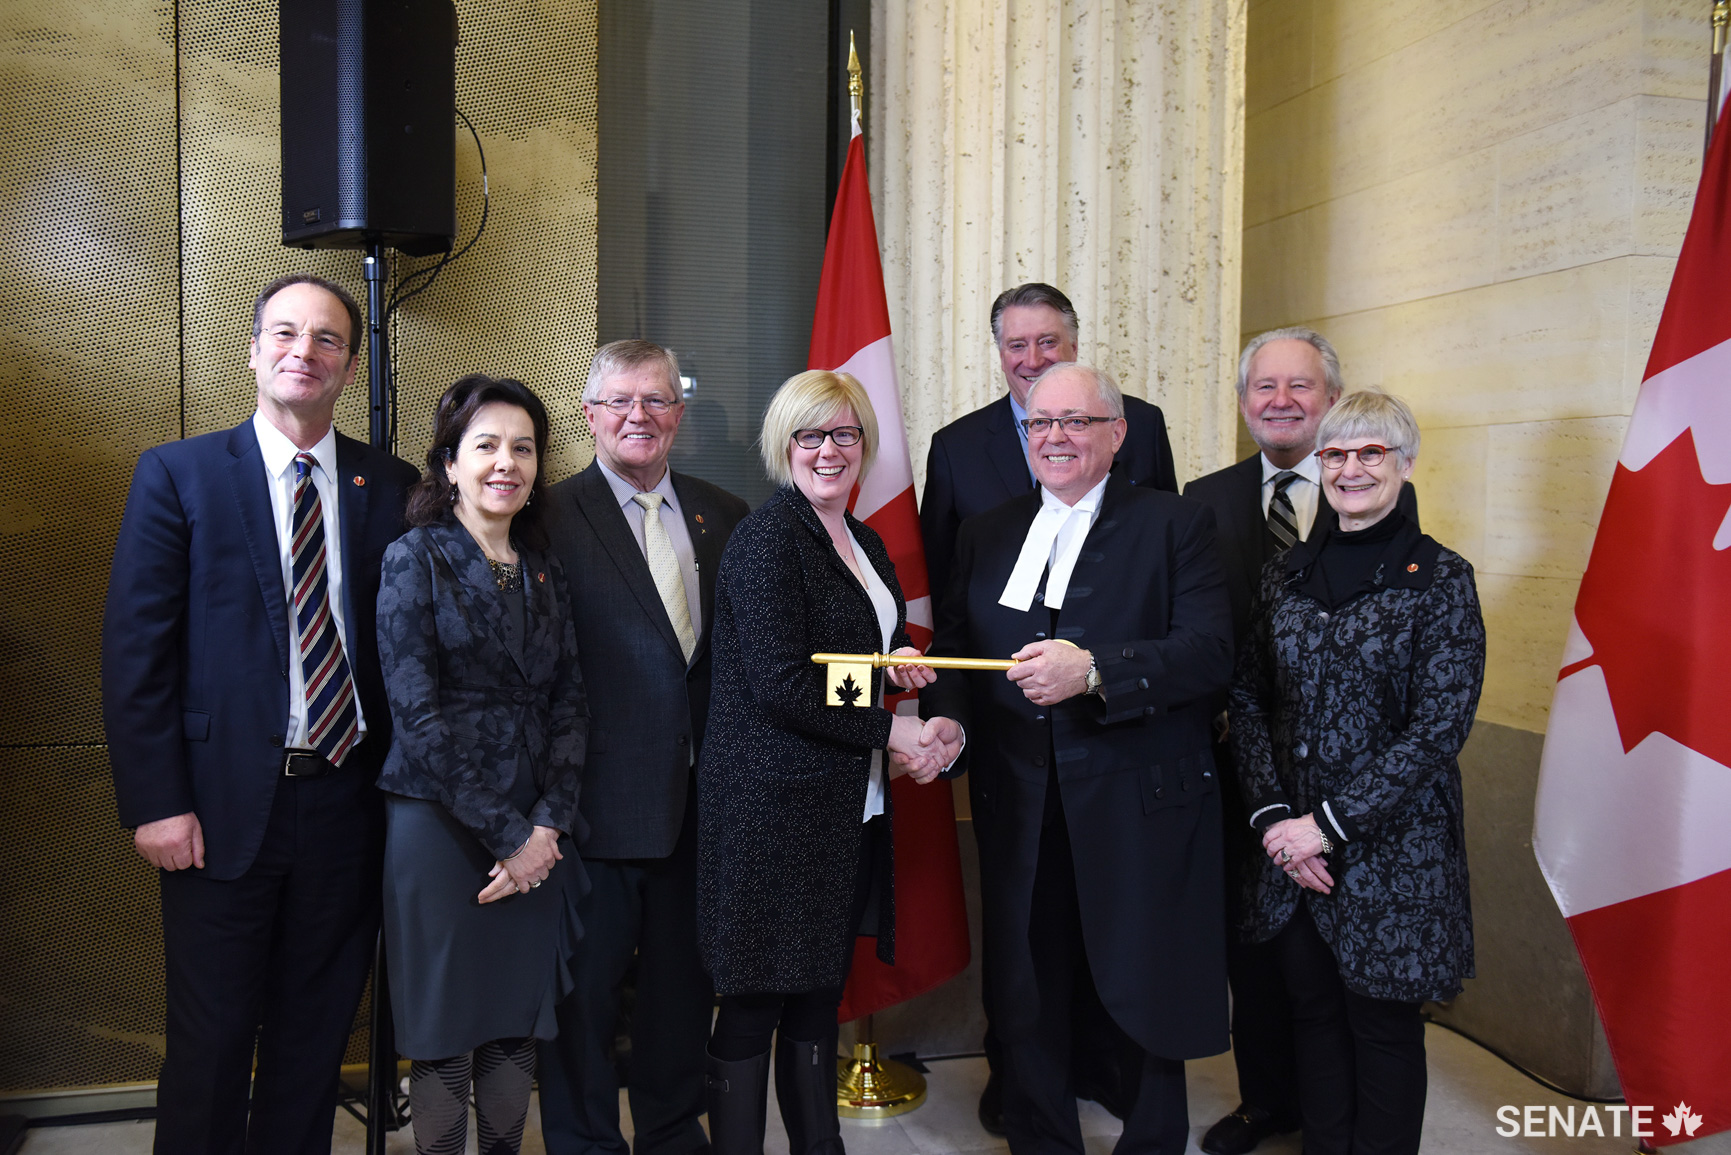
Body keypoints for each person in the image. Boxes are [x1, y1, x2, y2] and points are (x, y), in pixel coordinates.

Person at [101, 273, 418, 1154]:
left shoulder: (386, 484)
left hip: (347, 806)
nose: (302, 351)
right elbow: (136, 652)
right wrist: (156, 800)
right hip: (217, 807)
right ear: (252, 349)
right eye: (284, 333)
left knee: (314, 1042)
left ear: (349, 367)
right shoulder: (180, 473)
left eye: (326, 339)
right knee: (210, 1042)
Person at [921, 363, 1233, 1155]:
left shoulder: (1174, 524)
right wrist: (950, 724)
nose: (1053, 437)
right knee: (1026, 985)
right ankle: (1039, 1136)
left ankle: (1153, 1137)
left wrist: (1092, 669)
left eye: (1075, 422)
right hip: (1019, 801)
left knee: (1144, 971)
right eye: (1039, 423)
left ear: (1116, 434)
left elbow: (1206, 654)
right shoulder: (986, 531)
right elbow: (958, 650)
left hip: (1138, 797)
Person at [698, 370, 963, 1155]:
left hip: (842, 803)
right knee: (753, 999)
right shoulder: (767, 537)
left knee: (815, 995)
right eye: (809, 435)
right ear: (784, 446)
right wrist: (891, 735)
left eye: (843, 433)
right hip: (769, 809)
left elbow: (836, 667)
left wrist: (895, 675)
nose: (827, 449)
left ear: (863, 444)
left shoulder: (863, 538)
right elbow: (779, 684)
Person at [1229, 389, 1483, 1155]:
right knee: (1310, 1012)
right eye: (1335, 453)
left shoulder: (1440, 577)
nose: (1349, 468)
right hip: (1289, 857)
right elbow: (1247, 697)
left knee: (1380, 1026)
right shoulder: (1285, 575)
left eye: (1370, 452)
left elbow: (1438, 727)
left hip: (1390, 855)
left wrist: (1324, 827)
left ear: (1403, 464)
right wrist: (1275, 820)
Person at [1183, 327, 1418, 1155]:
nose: (1280, 401)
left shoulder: (1374, 500)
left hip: (1352, 783)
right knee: (1259, 949)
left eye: (1300, 387)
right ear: (1244, 401)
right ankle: (1265, 1100)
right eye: (1263, 387)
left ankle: (1351, 1122)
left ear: (1331, 400)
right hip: (1242, 769)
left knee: (1347, 976)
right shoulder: (1200, 497)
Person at [536, 340, 749, 1155]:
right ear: (589, 415)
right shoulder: (547, 517)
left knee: (679, 993)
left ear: (679, 416)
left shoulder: (724, 514)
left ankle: (668, 1129)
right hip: (590, 806)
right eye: (619, 401)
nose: (639, 416)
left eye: (656, 401)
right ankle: (585, 1140)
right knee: (583, 1001)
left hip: (701, 806)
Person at [374, 374, 588, 1155]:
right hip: (440, 827)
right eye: (487, 446)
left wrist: (548, 823)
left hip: (535, 825)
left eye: (523, 448)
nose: (507, 462)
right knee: (444, 1026)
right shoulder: (414, 558)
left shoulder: (542, 565)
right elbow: (417, 716)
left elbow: (570, 704)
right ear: (450, 463)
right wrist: (510, 837)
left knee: (511, 1019)